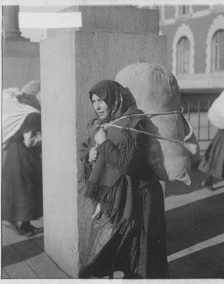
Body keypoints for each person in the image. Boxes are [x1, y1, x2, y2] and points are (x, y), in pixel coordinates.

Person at [78, 80, 168, 279]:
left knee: (142, 257)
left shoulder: (134, 123)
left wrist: (104, 142)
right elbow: (94, 154)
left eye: (101, 100)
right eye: (93, 101)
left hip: (143, 198)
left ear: (115, 99)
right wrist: (91, 155)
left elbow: (125, 163)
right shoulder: (106, 123)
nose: (97, 106)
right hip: (122, 199)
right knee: (120, 254)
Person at [2, 112, 43, 237]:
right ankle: (14, 220)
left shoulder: (22, 129)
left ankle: (24, 224)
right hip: (22, 163)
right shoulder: (30, 129)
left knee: (24, 192)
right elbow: (29, 142)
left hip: (17, 161)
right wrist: (39, 138)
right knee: (26, 192)